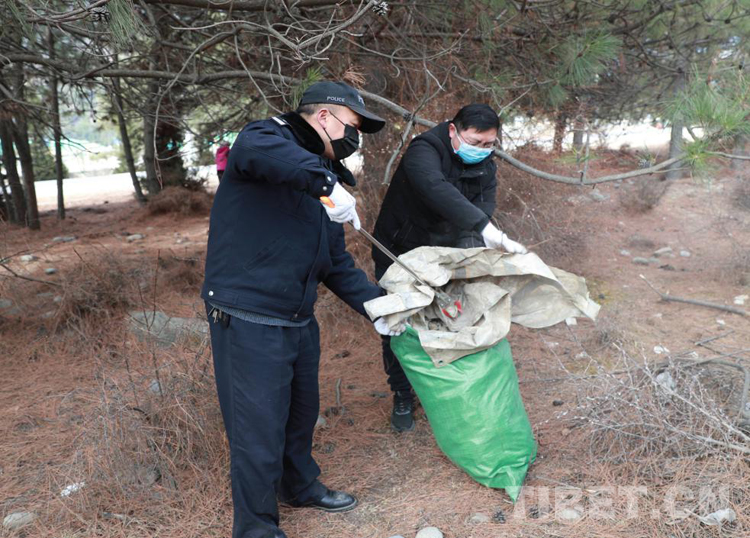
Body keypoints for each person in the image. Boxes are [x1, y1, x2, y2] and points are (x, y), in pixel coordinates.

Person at [201, 81, 404, 538]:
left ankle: (298, 486)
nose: (354, 139)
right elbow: (262, 153)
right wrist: (327, 185)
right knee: (257, 432)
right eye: (353, 126)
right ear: (325, 117)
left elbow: (334, 263)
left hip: (296, 317)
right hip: (248, 315)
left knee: (299, 415)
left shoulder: (320, 178)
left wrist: (379, 308)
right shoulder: (266, 139)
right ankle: (256, 528)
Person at [371, 104, 527, 432]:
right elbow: (434, 188)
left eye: (490, 144)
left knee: (449, 317)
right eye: (475, 142)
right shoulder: (425, 149)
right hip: (399, 249)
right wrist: (483, 227)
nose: (483, 150)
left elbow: (483, 204)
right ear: (454, 130)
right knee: (399, 321)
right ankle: (402, 393)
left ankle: (442, 388)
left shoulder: (486, 165)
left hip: (444, 255)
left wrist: (470, 252)